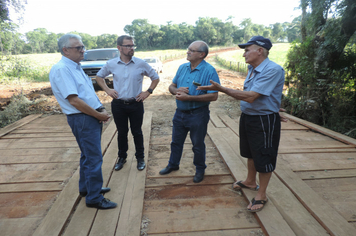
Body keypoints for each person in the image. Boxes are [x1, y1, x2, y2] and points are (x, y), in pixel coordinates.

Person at [197, 36, 285, 212]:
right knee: (250, 152)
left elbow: (251, 96)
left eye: (247, 49)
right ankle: (250, 181)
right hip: (249, 116)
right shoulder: (252, 68)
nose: (244, 53)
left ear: (260, 51)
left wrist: (221, 89)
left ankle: (262, 194)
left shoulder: (273, 69)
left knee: (264, 156)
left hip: (263, 119)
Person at [49, 34, 117, 210]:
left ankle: (87, 188)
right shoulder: (62, 69)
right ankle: (94, 197)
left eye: (82, 46)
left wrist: (99, 108)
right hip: (83, 118)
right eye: (78, 48)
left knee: (88, 155)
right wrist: (97, 114)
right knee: (94, 157)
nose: (83, 50)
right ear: (65, 50)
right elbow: (74, 101)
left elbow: (86, 94)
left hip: (88, 117)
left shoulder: (75, 67)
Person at [159, 41, 220, 183]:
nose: (188, 52)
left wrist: (189, 97)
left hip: (198, 114)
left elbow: (214, 95)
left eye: (192, 50)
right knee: (176, 142)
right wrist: (176, 91)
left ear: (201, 54)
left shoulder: (209, 71)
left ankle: (200, 169)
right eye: (188, 50)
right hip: (179, 112)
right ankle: (173, 164)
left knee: (197, 144)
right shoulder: (182, 68)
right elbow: (171, 86)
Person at [96, 35, 159, 172]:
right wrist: (107, 90)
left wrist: (148, 92)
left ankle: (140, 158)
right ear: (119, 48)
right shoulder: (111, 64)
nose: (132, 48)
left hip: (136, 103)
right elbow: (99, 77)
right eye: (128, 46)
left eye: (132, 46)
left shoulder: (141, 63)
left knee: (137, 132)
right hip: (118, 105)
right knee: (122, 132)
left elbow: (155, 78)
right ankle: (122, 157)